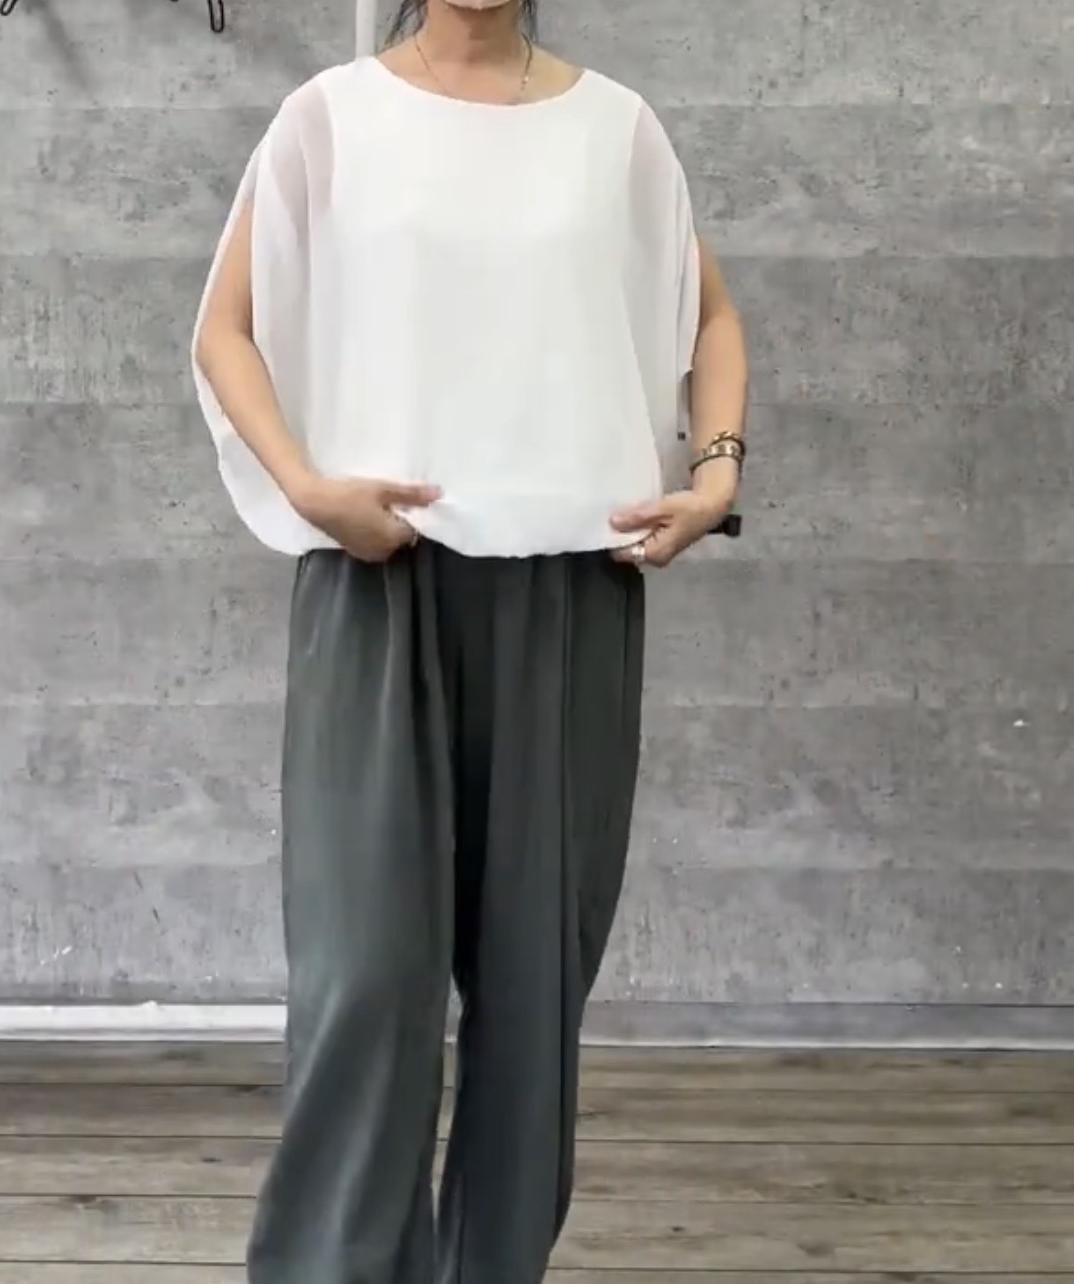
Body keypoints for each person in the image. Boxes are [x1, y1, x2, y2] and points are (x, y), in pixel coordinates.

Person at [192, 1, 749, 1280]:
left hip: (570, 597)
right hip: (377, 584)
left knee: (531, 999)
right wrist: (306, 486)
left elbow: (710, 315)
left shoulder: (616, 129)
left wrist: (716, 473)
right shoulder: (330, 119)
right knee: (366, 981)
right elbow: (225, 326)